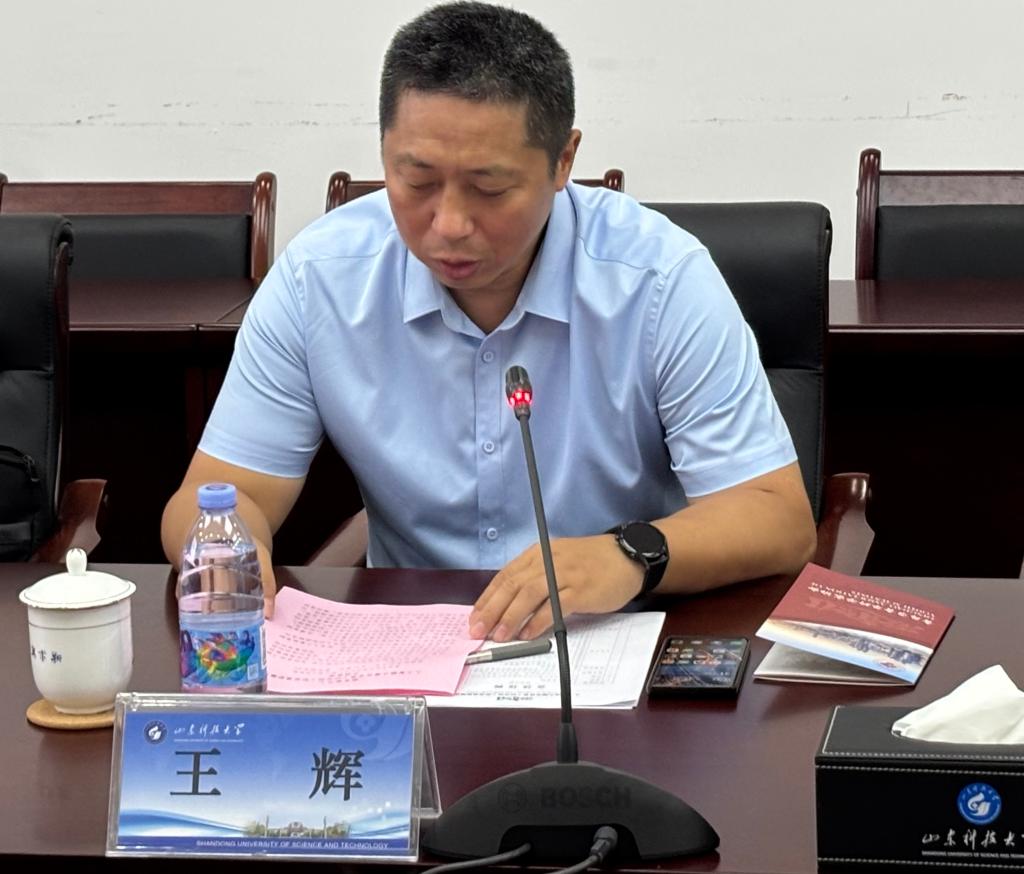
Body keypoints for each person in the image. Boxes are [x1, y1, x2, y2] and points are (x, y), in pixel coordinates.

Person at [161, 1, 816, 643]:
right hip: (409, 651)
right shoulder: (320, 279)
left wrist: (627, 553)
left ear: (563, 161)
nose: (449, 224)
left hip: (613, 642)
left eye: (490, 188)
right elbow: (223, 495)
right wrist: (224, 553)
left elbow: (777, 518)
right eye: (417, 181)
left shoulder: (659, 280)